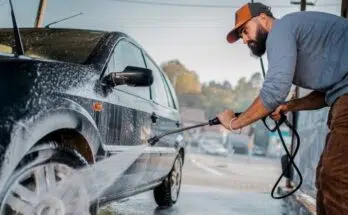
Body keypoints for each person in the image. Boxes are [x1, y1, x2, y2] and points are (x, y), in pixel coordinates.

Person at [216, 2, 348, 215]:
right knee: (326, 179)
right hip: (342, 96)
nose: (245, 40)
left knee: (336, 178)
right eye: (241, 36)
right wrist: (289, 106)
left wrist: (234, 122)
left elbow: (274, 91)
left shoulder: (280, 30)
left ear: (263, 19)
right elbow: (327, 93)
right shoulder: (289, 33)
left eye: (245, 31)